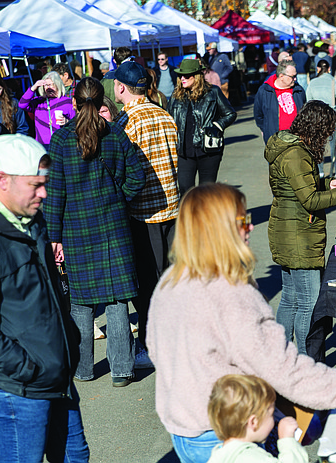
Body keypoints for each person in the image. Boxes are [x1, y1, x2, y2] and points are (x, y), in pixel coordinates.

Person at [146, 182, 336, 463]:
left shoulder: (171, 280)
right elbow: (284, 369)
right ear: (218, 229)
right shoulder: (229, 292)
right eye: (242, 221)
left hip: (183, 427)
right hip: (227, 435)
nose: (250, 227)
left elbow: (156, 349)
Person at [0, 134, 89, 462]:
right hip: (17, 388)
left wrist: (69, 340)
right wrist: (29, 368)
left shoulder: (27, 217)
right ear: (2, 180)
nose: (44, 193)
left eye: (45, 183)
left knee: (76, 457)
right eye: (35, 185)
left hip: (55, 375)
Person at [43, 77, 146, 387]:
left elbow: (55, 194)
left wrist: (54, 237)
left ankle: (83, 369)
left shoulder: (61, 141)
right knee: (116, 300)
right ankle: (122, 371)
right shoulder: (116, 134)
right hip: (114, 227)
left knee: (81, 302)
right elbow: (137, 176)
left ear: (73, 102)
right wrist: (120, 197)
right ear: (102, 102)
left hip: (75, 229)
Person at [266, 101, 336, 353]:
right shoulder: (296, 154)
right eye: (327, 132)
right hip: (298, 235)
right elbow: (310, 200)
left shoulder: (291, 146)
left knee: (291, 299)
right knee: (308, 303)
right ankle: (305, 361)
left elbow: (301, 187)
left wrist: (328, 183)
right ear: (317, 128)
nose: (328, 138)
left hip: (288, 229)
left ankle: (281, 356)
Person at [112, 60, 180, 369]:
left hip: (144, 211)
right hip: (171, 206)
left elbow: (123, 168)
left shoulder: (128, 121)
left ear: (121, 87)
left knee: (147, 282)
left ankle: (152, 344)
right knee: (168, 278)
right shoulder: (164, 114)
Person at [168, 58, 237, 197]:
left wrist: (217, 126)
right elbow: (169, 119)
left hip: (209, 150)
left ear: (197, 76)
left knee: (206, 193)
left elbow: (230, 114)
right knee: (185, 189)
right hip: (184, 152)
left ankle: (205, 218)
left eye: (186, 76)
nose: (182, 78)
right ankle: (190, 218)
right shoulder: (176, 96)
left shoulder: (213, 92)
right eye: (181, 75)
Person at [207, 375, 307, 463]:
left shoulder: (219, 453)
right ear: (254, 422)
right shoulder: (253, 459)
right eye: (272, 414)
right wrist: (287, 440)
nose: (275, 419)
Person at [306, 56, 336, 178]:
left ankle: (320, 171)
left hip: (317, 116)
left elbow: (308, 101)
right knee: (333, 144)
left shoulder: (312, 82)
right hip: (332, 115)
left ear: (318, 69)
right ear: (329, 69)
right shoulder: (334, 82)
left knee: (318, 145)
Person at [254, 59, 306, 145]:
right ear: (281, 76)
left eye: (295, 75)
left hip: (297, 139)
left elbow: (305, 112)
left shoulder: (298, 90)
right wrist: (267, 129)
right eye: (292, 76)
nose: (295, 79)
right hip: (275, 140)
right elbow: (258, 115)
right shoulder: (265, 90)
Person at [19, 70, 75, 147]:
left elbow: (76, 124)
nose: (48, 88)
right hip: (42, 146)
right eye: (46, 85)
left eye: (51, 85)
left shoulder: (67, 102)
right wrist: (33, 88)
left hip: (62, 145)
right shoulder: (39, 102)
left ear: (58, 85)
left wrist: (67, 121)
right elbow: (22, 104)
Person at [103, 47, 134, 111]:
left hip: (112, 117)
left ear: (114, 60)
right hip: (132, 115)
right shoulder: (135, 77)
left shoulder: (105, 80)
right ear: (129, 60)